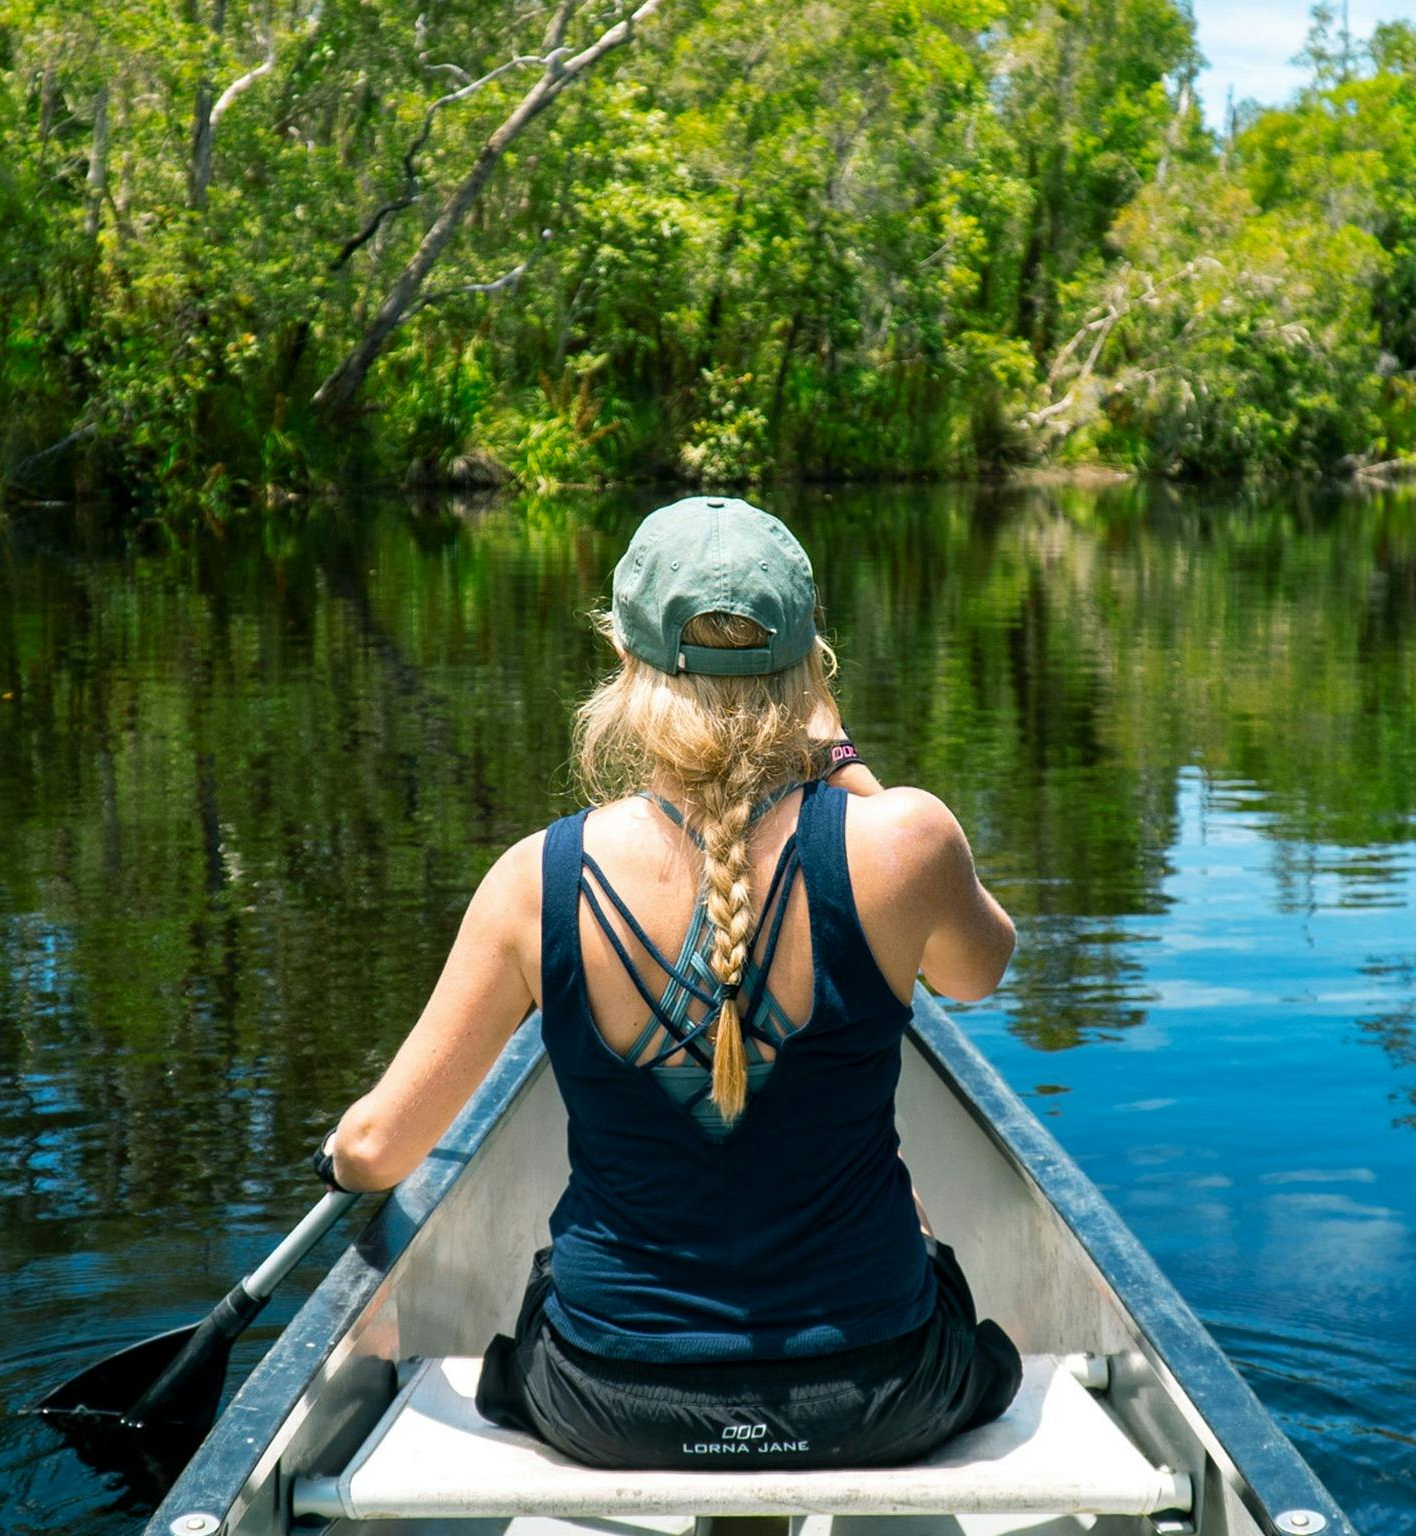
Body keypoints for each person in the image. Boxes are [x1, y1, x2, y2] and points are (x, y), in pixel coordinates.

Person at [312, 495, 1021, 1471]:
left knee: (536, 1301)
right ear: (812, 664)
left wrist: (341, 1162)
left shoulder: (536, 880)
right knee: (938, 1268)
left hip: (608, 1402)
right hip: (876, 1394)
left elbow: (381, 1146)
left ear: (624, 663)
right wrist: (842, 756)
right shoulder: (905, 841)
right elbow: (977, 973)